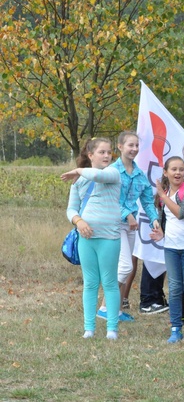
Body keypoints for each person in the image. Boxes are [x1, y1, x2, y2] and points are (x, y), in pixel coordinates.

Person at [97, 132, 160, 322]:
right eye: (130, 145)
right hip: (113, 224)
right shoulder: (112, 172)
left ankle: (115, 311)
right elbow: (110, 198)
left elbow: (148, 202)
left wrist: (155, 220)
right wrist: (129, 215)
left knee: (124, 267)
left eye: (136, 146)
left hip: (131, 227)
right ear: (120, 147)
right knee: (125, 267)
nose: (133, 149)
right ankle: (105, 307)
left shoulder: (140, 175)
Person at [62, 138, 122, 340]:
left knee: (110, 282)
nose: (107, 156)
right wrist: (78, 221)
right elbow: (71, 208)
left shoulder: (113, 172)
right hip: (86, 238)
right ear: (90, 155)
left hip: (109, 237)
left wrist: (78, 170)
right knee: (90, 283)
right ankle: (89, 328)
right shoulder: (79, 180)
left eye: (109, 152)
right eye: (102, 152)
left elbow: (97, 176)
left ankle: (111, 328)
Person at [150, 156, 184, 343]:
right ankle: (175, 329)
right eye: (173, 169)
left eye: (181, 169)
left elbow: (180, 213)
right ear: (166, 172)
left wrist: (164, 196)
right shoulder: (163, 194)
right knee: (174, 289)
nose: (178, 172)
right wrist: (161, 233)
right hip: (171, 248)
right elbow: (167, 219)